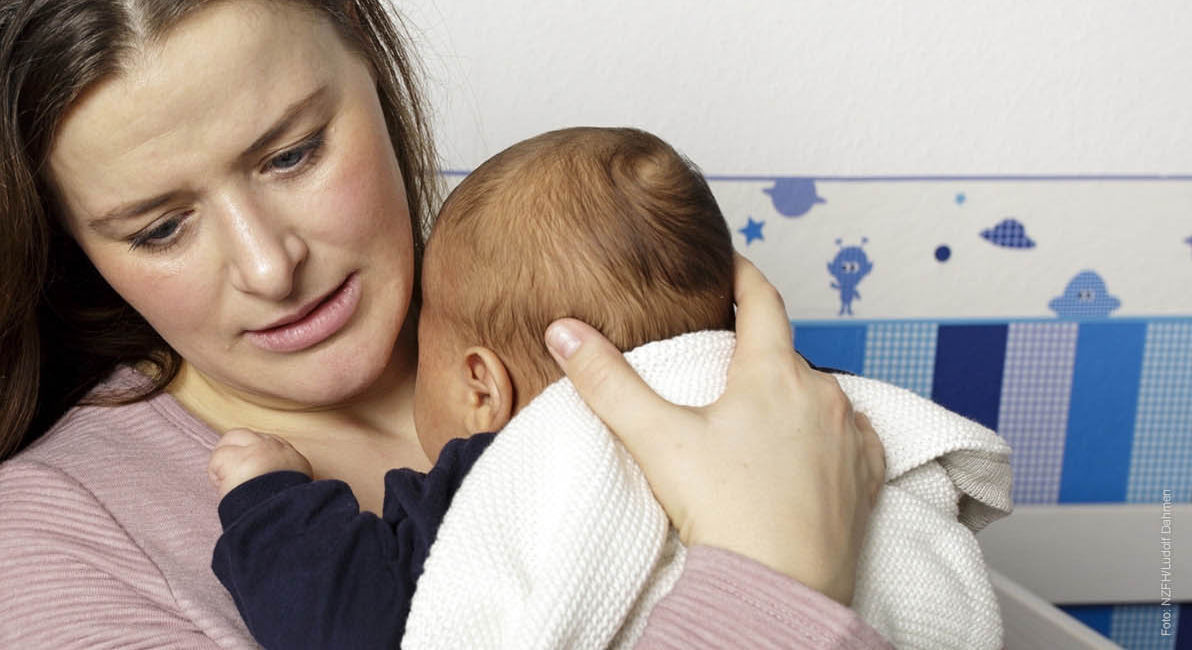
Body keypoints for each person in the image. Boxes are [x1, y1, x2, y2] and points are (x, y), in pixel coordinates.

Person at [0, 0, 890, 648]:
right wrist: (774, 572)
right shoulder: (66, 535)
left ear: (368, 62)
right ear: (69, 243)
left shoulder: (606, 314)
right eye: (158, 226)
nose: (269, 263)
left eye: (292, 154)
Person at [206, 127, 1006, 649]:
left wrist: (271, 498)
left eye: (425, 339)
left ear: (481, 383)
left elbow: (334, 621)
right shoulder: (806, 413)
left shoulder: (502, 476)